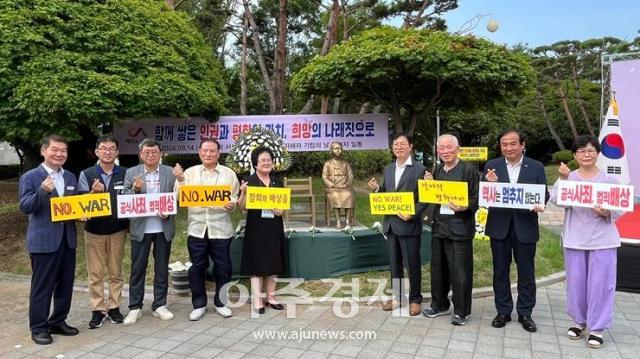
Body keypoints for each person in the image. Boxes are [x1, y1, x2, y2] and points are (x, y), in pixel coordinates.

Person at [549, 135, 622, 349]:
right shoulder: (568, 176)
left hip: (603, 241)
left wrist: (607, 211)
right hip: (575, 239)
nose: (586, 154)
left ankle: (597, 328)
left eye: (590, 150)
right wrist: (562, 179)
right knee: (576, 284)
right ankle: (578, 322)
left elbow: (619, 207)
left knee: (601, 286)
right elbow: (555, 200)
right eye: (581, 151)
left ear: (598, 153)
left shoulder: (609, 180)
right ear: (574, 155)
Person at [483, 129, 548, 332]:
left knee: (526, 272)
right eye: (504, 144)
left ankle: (525, 313)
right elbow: (486, 195)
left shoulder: (536, 167)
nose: (508, 148)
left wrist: (540, 204)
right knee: (500, 270)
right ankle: (503, 311)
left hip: (525, 226)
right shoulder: (492, 166)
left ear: (522, 145)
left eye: (512, 144)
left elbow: (543, 195)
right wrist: (489, 184)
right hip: (499, 226)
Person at [19, 135, 79, 345]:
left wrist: (82, 212)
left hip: (67, 239)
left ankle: (58, 321)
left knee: (65, 284)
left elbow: (75, 204)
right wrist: (43, 191)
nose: (60, 154)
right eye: (55, 150)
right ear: (44, 151)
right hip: (44, 241)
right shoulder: (31, 177)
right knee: (42, 286)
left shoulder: (70, 177)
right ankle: (38, 327)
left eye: (63, 150)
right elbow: (26, 206)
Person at [174, 138, 240, 321]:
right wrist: (180, 180)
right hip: (197, 229)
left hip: (221, 229)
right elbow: (180, 197)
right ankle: (199, 304)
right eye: (205, 150)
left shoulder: (228, 174)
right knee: (197, 267)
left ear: (218, 153)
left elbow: (234, 197)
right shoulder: (189, 173)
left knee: (223, 267)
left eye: (212, 151)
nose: (208, 154)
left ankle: (221, 303)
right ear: (199, 152)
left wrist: (231, 204)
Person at [367, 133, 427, 316]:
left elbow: (425, 198)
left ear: (410, 147)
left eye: (402, 144)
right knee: (395, 264)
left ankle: (416, 299)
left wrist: (413, 214)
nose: (399, 147)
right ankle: (398, 297)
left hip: (409, 225)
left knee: (412, 264)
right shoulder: (388, 169)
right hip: (391, 225)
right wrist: (377, 189)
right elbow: (387, 193)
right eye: (395, 144)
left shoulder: (420, 170)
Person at [422, 134, 478, 326]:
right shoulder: (438, 169)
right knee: (438, 269)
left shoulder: (469, 169)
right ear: (437, 151)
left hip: (460, 228)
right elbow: (434, 196)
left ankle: (461, 311)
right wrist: (429, 184)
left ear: (458, 149)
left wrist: (465, 206)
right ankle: (439, 304)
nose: (445, 151)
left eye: (449, 147)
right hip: (439, 227)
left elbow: (476, 197)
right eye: (441, 148)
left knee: (460, 272)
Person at [122, 139, 180, 325]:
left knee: (161, 268)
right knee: (137, 268)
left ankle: (159, 304)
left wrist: (169, 212)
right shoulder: (131, 173)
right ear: (141, 154)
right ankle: (135, 307)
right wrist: (136, 190)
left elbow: (178, 198)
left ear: (160, 153)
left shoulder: (169, 172)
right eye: (146, 152)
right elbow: (125, 199)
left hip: (163, 227)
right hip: (140, 228)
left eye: (154, 152)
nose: (150, 155)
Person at [78, 136, 129, 329]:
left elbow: (131, 198)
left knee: (116, 272)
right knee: (96, 274)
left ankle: (114, 307)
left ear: (117, 152)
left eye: (111, 149)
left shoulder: (125, 173)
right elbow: (81, 204)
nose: (107, 152)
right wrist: (94, 193)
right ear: (97, 151)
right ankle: (97, 310)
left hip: (118, 230)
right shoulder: (87, 173)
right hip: (94, 232)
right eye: (103, 148)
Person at [237, 146, 286, 314]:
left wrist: (281, 211)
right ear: (255, 164)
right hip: (256, 227)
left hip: (274, 226)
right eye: (262, 160)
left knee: (273, 260)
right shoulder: (249, 181)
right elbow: (241, 207)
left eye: (269, 160)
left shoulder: (277, 182)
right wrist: (243, 193)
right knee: (257, 262)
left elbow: (283, 207)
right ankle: (257, 299)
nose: (266, 163)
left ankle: (271, 297)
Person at [322, 141, 355, 228]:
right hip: (333, 188)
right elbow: (324, 177)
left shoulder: (346, 163)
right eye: (336, 148)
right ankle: (338, 221)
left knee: (349, 194)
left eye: (340, 149)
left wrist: (347, 184)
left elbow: (351, 176)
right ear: (332, 150)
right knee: (335, 195)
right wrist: (332, 185)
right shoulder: (328, 164)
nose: (338, 151)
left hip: (345, 187)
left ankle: (347, 221)